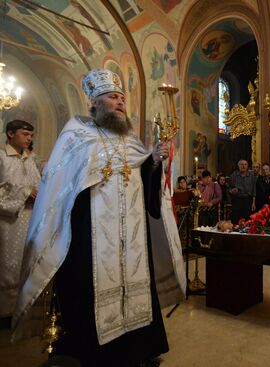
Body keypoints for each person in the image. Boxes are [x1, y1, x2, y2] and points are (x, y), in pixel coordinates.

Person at [12, 69, 186, 367]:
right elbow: (61, 188)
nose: (120, 102)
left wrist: (154, 160)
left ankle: (138, 349)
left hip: (131, 239)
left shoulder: (130, 141)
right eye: (112, 97)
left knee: (136, 289)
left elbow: (145, 181)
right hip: (89, 238)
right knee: (87, 294)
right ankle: (95, 353)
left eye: (121, 97)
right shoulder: (76, 135)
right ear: (95, 103)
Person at [0, 120, 41, 326]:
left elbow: (38, 184)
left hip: (29, 219)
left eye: (31, 135)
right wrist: (25, 193)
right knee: (8, 266)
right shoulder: (1, 158)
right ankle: (5, 314)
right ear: (10, 133)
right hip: (8, 222)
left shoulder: (30, 159)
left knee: (26, 262)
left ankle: (22, 309)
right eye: (25, 134)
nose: (29, 138)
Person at [228, 159, 256, 224]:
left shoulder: (251, 175)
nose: (243, 166)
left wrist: (253, 202)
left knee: (247, 220)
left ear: (247, 166)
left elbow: (254, 190)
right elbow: (228, 187)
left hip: (248, 199)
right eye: (242, 164)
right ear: (238, 166)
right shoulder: (234, 175)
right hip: (237, 199)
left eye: (245, 164)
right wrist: (231, 191)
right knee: (236, 219)